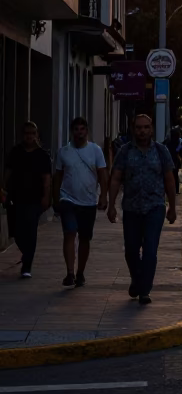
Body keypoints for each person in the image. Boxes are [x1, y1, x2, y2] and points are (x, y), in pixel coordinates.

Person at [107, 113, 176, 305]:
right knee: (131, 250)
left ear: (151, 129)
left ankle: (144, 290)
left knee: (150, 251)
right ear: (133, 129)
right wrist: (111, 204)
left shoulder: (161, 151)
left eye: (146, 127)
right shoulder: (125, 152)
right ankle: (137, 280)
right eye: (138, 127)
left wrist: (173, 207)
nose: (142, 131)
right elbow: (115, 178)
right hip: (131, 209)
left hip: (155, 208)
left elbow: (170, 180)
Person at [53, 116, 108, 287]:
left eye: (82, 129)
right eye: (76, 129)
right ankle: (69, 272)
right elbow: (57, 177)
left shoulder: (95, 151)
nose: (79, 133)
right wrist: (55, 198)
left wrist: (103, 196)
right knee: (69, 232)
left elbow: (103, 174)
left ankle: (80, 272)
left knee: (85, 238)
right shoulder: (64, 152)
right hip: (67, 198)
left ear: (87, 131)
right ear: (72, 132)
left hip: (88, 201)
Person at [5, 122, 52, 278]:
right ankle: (27, 254)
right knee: (17, 231)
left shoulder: (42, 155)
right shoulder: (15, 152)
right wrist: (3, 191)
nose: (29, 136)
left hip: (34, 199)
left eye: (32, 133)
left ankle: (27, 265)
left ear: (37, 135)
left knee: (30, 230)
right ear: (22, 134)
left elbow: (46, 178)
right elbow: (8, 172)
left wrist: (46, 197)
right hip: (15, 197)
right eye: (27, 133)